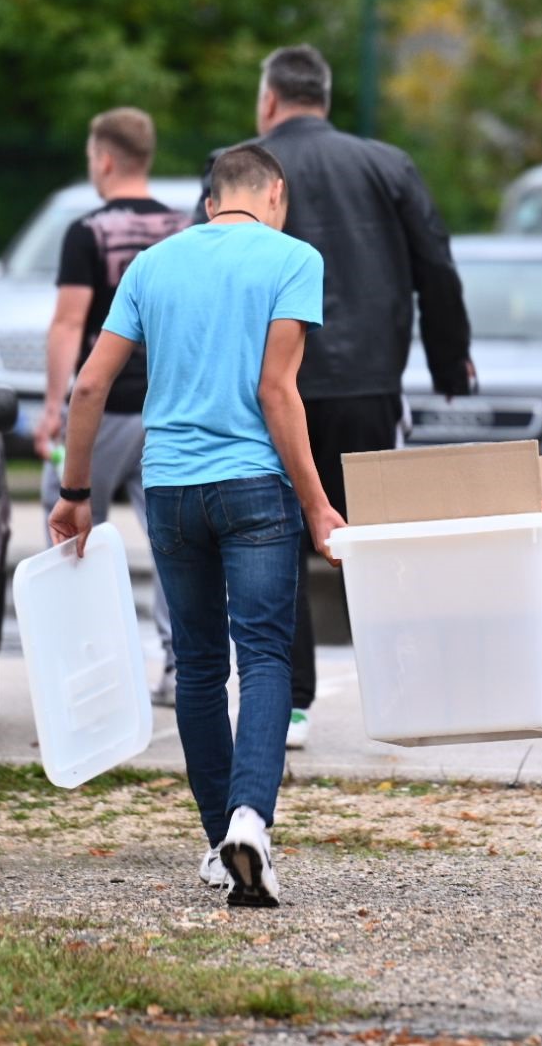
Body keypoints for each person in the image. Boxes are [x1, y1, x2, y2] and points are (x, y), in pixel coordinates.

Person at [49, 145, 346, 907]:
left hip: (172, 488)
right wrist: (316, 502)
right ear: (275, 192)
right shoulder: (294, 259)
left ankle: (220, 841)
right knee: (268, 656)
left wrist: (74, 491)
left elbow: (89, 384)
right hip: (254, 489)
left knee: (201, 666)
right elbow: (277, 391)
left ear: (210, 200)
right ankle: (251, 817)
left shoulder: (152, 265)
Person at [198, 44, 472, 750]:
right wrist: (447, 362)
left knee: (277, 536)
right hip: (368, 382)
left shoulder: (239, 168)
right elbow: (434, 263)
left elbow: (202, 268)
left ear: (269, 100)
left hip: (267, 388)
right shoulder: (386, 165)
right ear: (323, 96)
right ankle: (406, 688)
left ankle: (290, 704)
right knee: (373, 538)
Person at [35, 107, 188, 706]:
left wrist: (54, 406)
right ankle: (181, 669)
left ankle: (86, 669)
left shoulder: (87, 232)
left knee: (66, 528)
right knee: (174, 540)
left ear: (104, 159)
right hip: (168, 409)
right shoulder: (183, 229)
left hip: (103, 410)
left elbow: (69, 325)